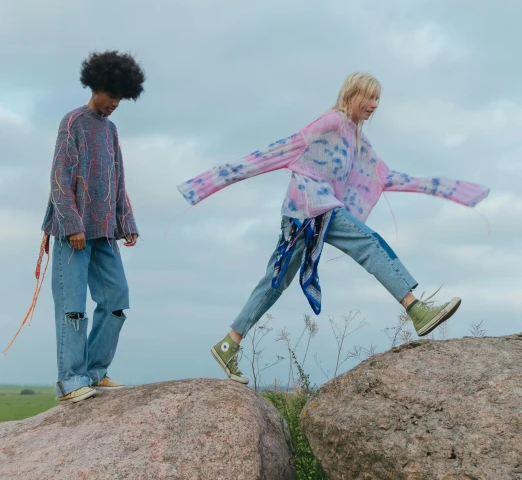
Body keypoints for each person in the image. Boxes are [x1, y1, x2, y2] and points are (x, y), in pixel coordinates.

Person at [177, 73, 489, 385]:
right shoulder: (331, 122)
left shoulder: (357, 138)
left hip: (314, 211)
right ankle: (416, 309)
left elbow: (385, 176)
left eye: (377, 99)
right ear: (351, 95)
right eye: (368, 97)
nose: (374, 105)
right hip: (307, 207)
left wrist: (446, 188)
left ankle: (229, 343)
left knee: (276, 282)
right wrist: (213, 180)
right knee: (367, 244)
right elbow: (283, 149)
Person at [42, 50, 145, 403]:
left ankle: (96, 372)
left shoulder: (111, 131)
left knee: (116, 299)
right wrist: (72, 223)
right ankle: (70, 381)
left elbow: (118, 179)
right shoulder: (72, 122)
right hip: (73, 235)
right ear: (96, 86)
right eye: (112, 94)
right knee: (73, 307)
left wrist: (126, 220)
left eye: (121, 97)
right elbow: (59, 178)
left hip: (104, 233)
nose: (116, 102)